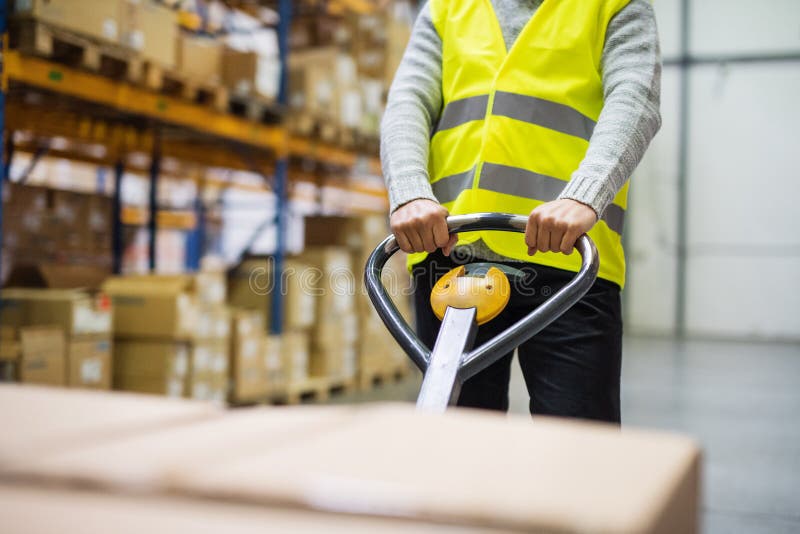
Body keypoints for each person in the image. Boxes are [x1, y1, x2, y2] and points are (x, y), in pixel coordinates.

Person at [380, 0, 662, 423]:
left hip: (569, 260)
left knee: (577, 444)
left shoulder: (614, 5)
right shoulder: (447, 8)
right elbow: (408, 101)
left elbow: (634, 98)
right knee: (458, 444)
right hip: (450, 256)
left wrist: (584, 196)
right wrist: (408, 192)